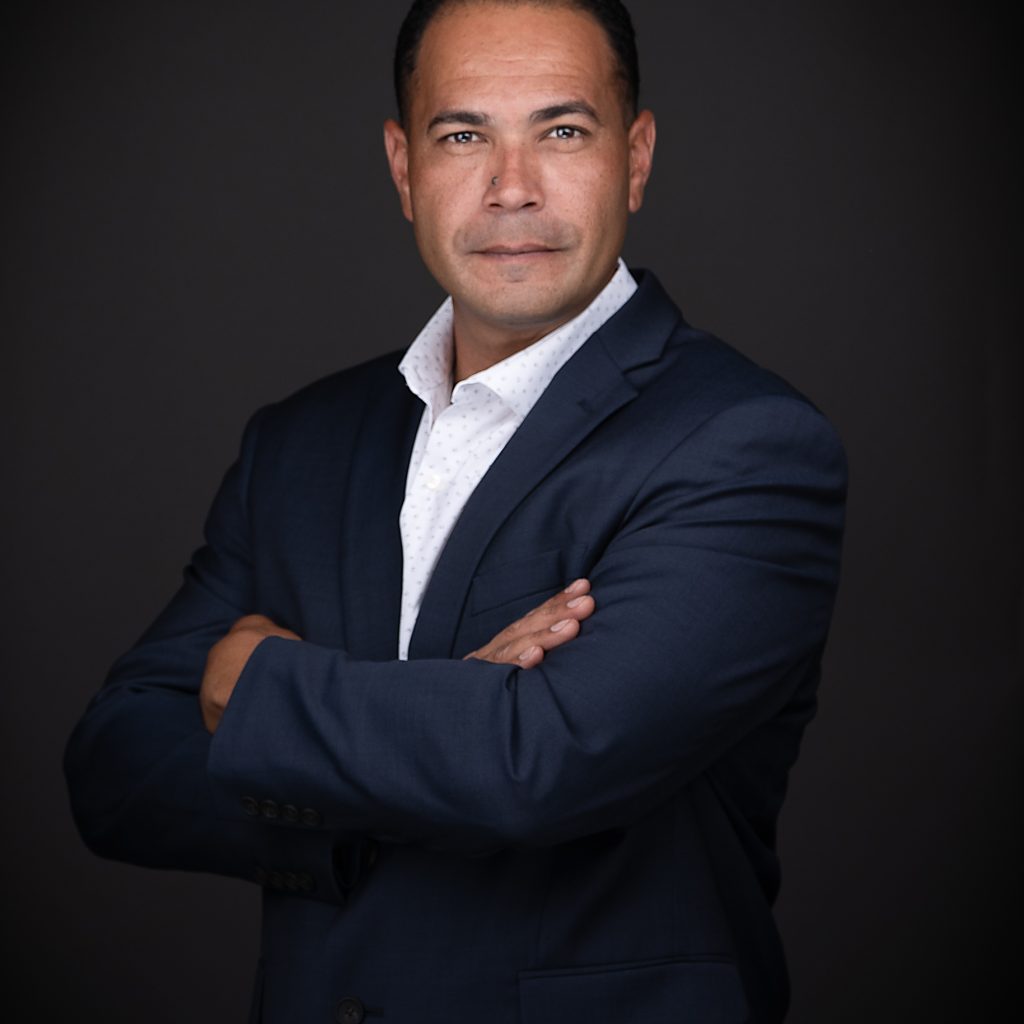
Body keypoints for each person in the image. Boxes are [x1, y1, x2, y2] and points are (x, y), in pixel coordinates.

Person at [64, 1, 846, 1021]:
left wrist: (257, 684)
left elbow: (539, 760)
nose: (511, 187)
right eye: (462, 134)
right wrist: (439, 731)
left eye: (562, 132)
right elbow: (117, 766)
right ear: (402, 167)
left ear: (637, 157)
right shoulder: (300, 443)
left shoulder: (745, 445)